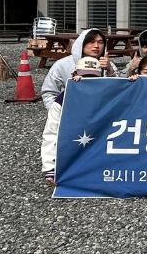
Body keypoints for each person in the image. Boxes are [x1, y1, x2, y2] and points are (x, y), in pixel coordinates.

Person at [40, 55, 109, 184]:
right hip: (73, 153)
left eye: (93, 77)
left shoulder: (110, 97)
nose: (87, 81)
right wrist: (50, 167)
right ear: (74, 75)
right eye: (84, 76)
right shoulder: (62, 100)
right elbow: (51, 134)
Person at [41, 28, 118, 109]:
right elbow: (49, 93)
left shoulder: (107, 64)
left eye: (100, 42)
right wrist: (57, 112)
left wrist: (109, 70)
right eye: (91, 42)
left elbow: (117, 91)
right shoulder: (62, 65)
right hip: (71, 110)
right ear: (81, 43)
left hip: (100, 110)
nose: (96, 46)